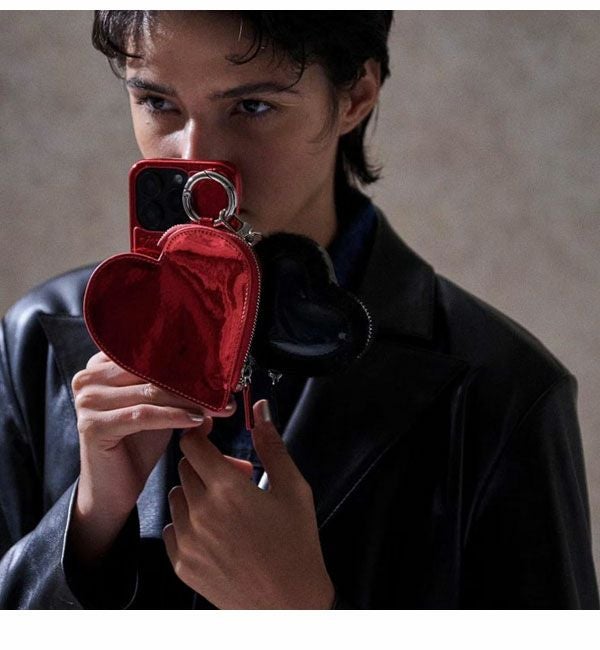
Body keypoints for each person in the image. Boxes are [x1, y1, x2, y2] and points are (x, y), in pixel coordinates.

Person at [0, 10, 598, 609]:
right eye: (158, 102)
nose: (197, 158)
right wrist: (88, 523)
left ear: (355, 95)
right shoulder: (33, 342)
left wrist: (303, 617)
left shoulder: (505, 391)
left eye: (252, 106)